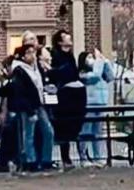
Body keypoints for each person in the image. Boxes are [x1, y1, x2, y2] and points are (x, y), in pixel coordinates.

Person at [8, 43, 55, 171]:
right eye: (29, 53)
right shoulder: (19, 70)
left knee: (48, 131)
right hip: (28, 106)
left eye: (33, 52)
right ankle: (30, 160)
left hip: (39, 104)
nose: (32, 55)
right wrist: (29, 110)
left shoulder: (36, 68)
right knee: (28, 133)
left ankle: (46, 159)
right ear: (23, 56)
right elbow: (21, 92)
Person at [48, 30, 87, 168]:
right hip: (65, 95)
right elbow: (56, 73)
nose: (69, 38)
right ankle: (66, 157)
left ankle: (80, 155)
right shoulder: (56, 56)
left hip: (77, 95)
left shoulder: (70, 56)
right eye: (66, 37)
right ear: (60, 41)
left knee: (75, 125)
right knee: (64, 126)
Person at [78, 49, 113, 163]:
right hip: (89, 105)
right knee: (86, 131)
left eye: (91, 57)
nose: (91, 60)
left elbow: (110, 76)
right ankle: (83, 156)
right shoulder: (83, 74)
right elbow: (96, 76)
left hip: (101, 104)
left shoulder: (99, 68)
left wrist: (106, 62)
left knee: (98, 133)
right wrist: (99, 61)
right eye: (88, 57)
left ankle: (98, 157)